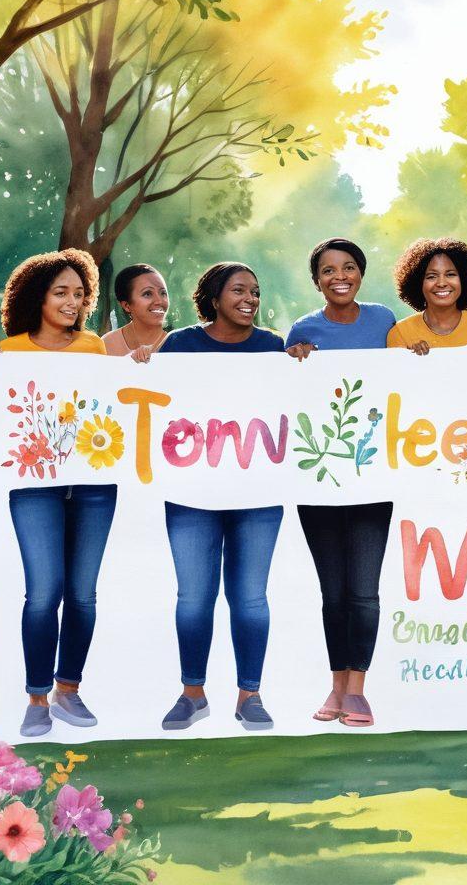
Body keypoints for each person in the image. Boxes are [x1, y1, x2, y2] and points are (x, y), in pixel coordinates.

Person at [158, 263, 285, 731]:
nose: (250, 297)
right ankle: (193, 694)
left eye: (255, 290)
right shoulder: (179, 346)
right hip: (191, 492)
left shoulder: (275, 347)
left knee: (250, 598)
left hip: (258, 492)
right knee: (193, 598)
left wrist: (305, 361)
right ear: (214, 297)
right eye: (238, 290)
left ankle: (249, 695)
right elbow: (155, 403)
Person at [0, 249, 115, 738]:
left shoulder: (93, 347)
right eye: (60, 292)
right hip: (33, 487)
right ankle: (36, 698)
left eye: (79, 293)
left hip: (92, 484)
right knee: (43, 593)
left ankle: (69, 689)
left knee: (83, 595)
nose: (72, 301)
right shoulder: (8, 353)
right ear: (36, 297)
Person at [285, 239, 396, 727]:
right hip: (319, 478)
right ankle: (335, 686)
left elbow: (407, 382)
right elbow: (290, 394)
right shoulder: (304, 330)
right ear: (316, 281)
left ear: (361, 273)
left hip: (374, 476)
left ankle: (358, 690)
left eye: (348, 267)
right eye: (328, 270)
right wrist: (296, 358)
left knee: (364, 591)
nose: (339, 276)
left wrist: (416, 355)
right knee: (333, 591)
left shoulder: (385, 322)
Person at [386, 238, 467, 352]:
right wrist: (412, 359)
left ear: (463, 279)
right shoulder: (401, 332)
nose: (441, 283)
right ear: (418, 283)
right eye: (431, 276)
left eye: (450, 274)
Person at [101, 264, 170, 360]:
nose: (159, 301)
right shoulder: (107, 344)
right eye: (147, 294)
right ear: (126, 306)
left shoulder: (178, 344)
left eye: (163, 293)